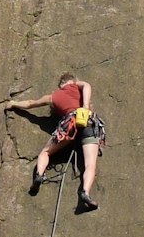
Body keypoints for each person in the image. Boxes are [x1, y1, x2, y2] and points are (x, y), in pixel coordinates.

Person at [6, 73, 99, 212]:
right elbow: (86, 85)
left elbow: (31, 103)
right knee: (90, 164)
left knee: (46, 152)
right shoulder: (76, 85)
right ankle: (85, 193)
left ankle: (39, 175)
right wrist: (85, 107)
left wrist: (14, 103)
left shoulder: (53, 97)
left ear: (61, 84)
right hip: (88, 123)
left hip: (69, 124)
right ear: (71, 81)